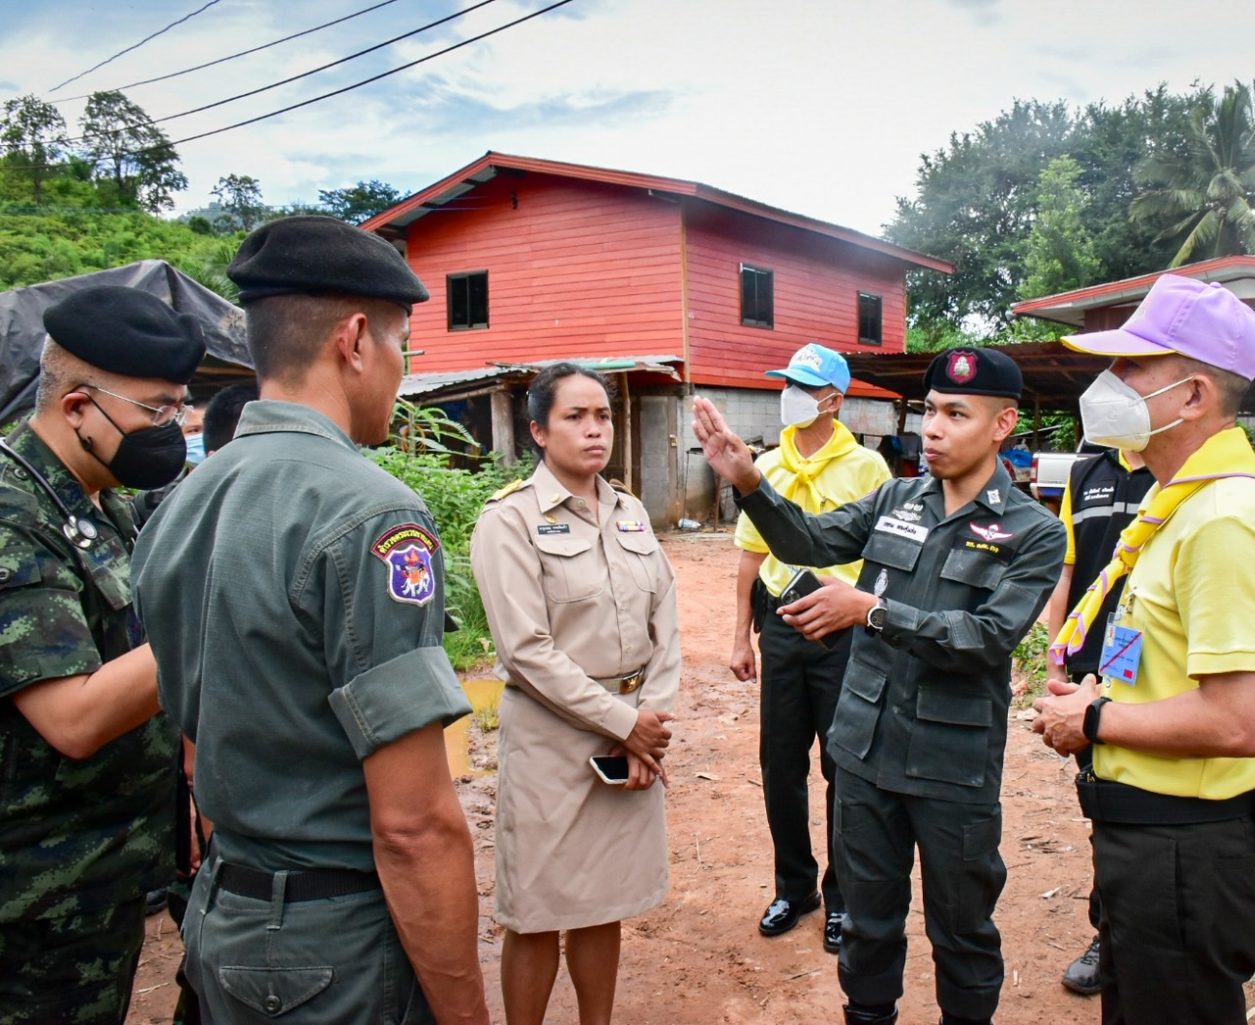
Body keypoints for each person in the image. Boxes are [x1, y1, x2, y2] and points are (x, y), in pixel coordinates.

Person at [132, 216, 489, 1025]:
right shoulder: (367, 511)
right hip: (335, 948)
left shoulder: (180, 505)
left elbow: (198, 733)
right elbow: (414, 825)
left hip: (227, 918)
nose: (402, 372)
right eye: (404, 345)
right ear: (356, 340)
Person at [694, 346, 1066, 1025]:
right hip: (864, 754)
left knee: (962, 931)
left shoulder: (1033, 532)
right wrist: (750, 481)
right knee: (867, 925)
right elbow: (807, 538)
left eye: (958, 413)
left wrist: (870, 609)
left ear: (1003, 423)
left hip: (952, 767)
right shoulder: (897, 497)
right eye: (930, 412)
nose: (933, 428)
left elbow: (984, 637)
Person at [1032, 274, 1255, 1025]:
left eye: (1132, 368)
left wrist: (1093, 723)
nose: (1108, 383)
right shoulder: (1176, 500)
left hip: (1188, 847)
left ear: (1192, 396)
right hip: (1153, 833)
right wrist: (1100, 695)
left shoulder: (1224, 519)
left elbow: (1241, 720)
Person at [0, 285, 203, 1025]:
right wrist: (211, 603)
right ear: (78, 404)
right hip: (33, 899)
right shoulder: (12, 514)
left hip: (106, 872)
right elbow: (75, 717)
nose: (170, 428)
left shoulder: (103, 498)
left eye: (178, 408)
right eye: (155, 409)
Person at [470, 362, 680, 1025]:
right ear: (538, 429)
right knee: (534, 911)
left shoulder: (631, 511)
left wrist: (652, 722)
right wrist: (625, 723)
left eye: (604, 416)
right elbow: (525, 650)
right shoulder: (509, 521)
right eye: (576, 416)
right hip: (552, 743)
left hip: (632, 736)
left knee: (602, 902)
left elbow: (667, 625)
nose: (596, 430)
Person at [732, 342, 891, 952]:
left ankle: (843, 895)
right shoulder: (765, 465)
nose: (789, 394)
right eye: (786, 382)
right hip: (781, 627)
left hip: (841, 630)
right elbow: (750, 551)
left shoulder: (867, 470)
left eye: (802, 385)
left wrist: (856, 605)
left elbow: (884, 560)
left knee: (841, 765)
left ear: (833, 400)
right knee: (781, 764)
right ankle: (795, 887)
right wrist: (739, 635)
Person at [1040, 442, 1154, 997]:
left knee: (1146, 802)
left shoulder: (1177, 464)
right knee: (1102, 800)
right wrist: (1055, 650)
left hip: (1152, 664)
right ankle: (1106, 932)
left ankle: (1137, 931)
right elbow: (1066, 570)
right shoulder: (1085, 473)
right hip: (1091, 660)